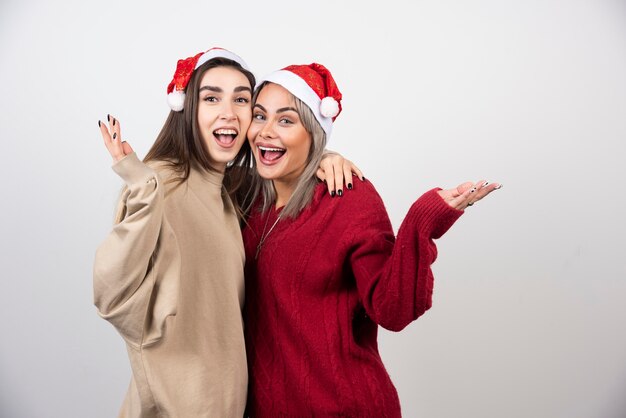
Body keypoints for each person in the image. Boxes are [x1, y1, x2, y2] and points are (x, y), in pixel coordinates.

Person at [93, 49, 358, 418]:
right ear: (187, 110)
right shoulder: (160, 186)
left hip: (229, 403)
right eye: (212, 97)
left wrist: (325, 156)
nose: (228, 112)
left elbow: (282, 173)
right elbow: (113, 294)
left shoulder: (230, 189)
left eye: (242, 100)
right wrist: (142, 191)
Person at [242, 63, 502, 417]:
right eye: (259, 116)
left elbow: (392, 310)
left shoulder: (347, 197)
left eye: (285, 120)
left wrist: (421, 222)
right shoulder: (244, 201)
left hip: (343, 406)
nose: (265, 132)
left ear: (315, 132)